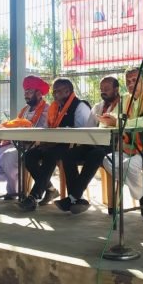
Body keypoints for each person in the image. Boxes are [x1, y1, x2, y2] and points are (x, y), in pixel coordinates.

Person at [19, 78, 92, 211]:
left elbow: (83, 134)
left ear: (67, 91)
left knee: (50, 156)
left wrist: (55, 142)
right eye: (53, 92)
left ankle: (34, 196)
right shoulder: (55, 107)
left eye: (57, 91)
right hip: (52, 144)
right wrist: (46, 141)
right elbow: (49, 127)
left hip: (71, 146)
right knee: (29, 156)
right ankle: (50, 189)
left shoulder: (80, 106)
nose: (54, 95)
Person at [101, 67, 143, 214]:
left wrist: (118, 122)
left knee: (130, 165)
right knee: (108, 160)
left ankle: (142, 194)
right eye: (128, 81)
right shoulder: (126, 99)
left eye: (134, 80)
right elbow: (112, 117)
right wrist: (106, 120)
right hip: (131, 147)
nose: (131, 84)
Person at [54, 77, 120, 214]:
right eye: (101, 89)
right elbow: (88, 128)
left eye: (107, 89)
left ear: (116, 89)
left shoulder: (123, 105)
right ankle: (76, 199)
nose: (103, 92)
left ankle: (73, 197)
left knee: (96, 154)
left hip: (112, 145)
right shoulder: (97, 107)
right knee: (68, 155)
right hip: (93, 143)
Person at [0, 76, 49, 199]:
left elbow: (45, 131)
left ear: (39, 93)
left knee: (8, 156)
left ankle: (13, 191)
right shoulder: (24, 110)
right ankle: (12, 180)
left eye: (30, 91)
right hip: (16, 143)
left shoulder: (47, 109)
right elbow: (15, 125)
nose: (26, 94)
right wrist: (0, 137)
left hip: (33, 146)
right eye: (25, 91)